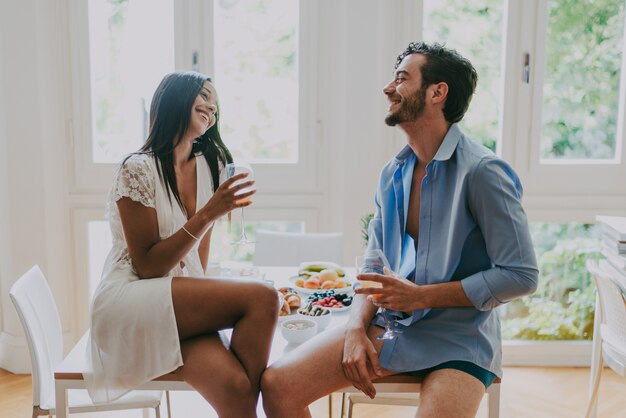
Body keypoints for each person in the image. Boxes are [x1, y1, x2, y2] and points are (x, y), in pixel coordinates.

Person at [261, 42, 539, 418]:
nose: (388, 88)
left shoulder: (483, 172)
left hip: (461, 339)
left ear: (437, 92)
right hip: (391, 327)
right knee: (278, 385)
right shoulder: (392, 174)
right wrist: (356, 329)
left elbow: (521, 276)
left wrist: (422, 296)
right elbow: (374, 266)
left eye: (402, 79)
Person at [85, 71, 279, 417]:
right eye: (203, 97)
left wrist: (202, 295)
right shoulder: (137, 169)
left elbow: (197, 255)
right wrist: (207, 214)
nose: (211, 108)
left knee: (236, 387)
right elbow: (147, 267)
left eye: (215, 105)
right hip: (130, 299)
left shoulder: (208, 166)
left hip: (173, 300)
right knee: (264, 298)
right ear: (175, 100)